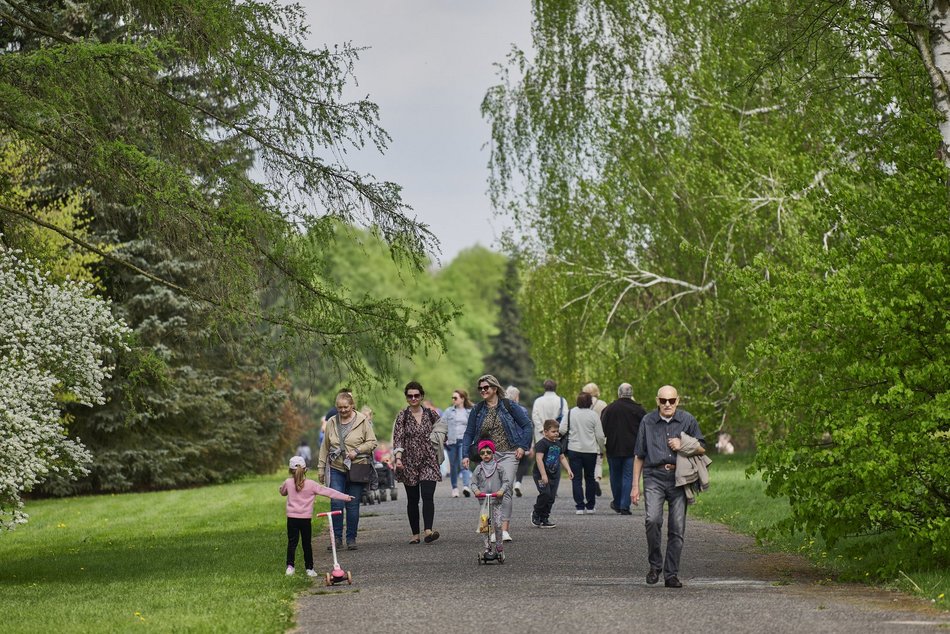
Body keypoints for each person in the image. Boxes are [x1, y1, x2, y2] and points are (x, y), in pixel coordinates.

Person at [631, 385, 707, 588]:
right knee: (652, 520)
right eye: (663, 400)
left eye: (671, 401)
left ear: (677, 401)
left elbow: (702, 447)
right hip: (653, 476)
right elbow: (639, 455)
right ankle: (655, 566)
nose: (667, 404)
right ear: (657, 401)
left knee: (677, 527)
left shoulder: (687, 420)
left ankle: (671, 574)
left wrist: (683, 445)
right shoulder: (647, 421)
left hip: (679, 478)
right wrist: (635, 486)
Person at [461, 374, 532, 542]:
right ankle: (491, 528)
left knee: (505, 489)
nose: (482, 390)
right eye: (480, 388)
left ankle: (503, 530)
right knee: (487, 492)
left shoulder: (509, 405)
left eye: (486, 387)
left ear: (494, 388)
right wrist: (465, 454)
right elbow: (469, 433)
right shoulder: (478, 410)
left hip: (509, 453)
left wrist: (522, 446)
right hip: (487, 456)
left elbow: (527, 425)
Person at [317, 390, 377, 551]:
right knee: (336, 502)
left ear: (352, 406)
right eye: (340, 407)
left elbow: (372, 442)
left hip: (357, 466)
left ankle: (351, 538)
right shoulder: (331, 422)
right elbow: (325, 447)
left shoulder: (362, 420)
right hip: (336, 467)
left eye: (346, 407)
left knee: (352, 504)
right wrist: (321, 469)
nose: (343, 410)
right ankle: (336, 539)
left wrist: (357, 450)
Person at [280, 455, 353, 577]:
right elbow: (328, 491)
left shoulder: (288, 482)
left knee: (292, 543)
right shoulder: (311, 484)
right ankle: (309, 568)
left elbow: (282, 492)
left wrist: (282, 488)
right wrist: (345, 497)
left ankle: (290, 567)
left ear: (290, 470)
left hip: (292, 519)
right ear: (305, 470)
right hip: (305, 519)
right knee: (307, 544)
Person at [392, 381, 446, 544]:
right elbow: (398, 438)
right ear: (406, 398)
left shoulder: (431, 414)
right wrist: (398, 459)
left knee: (428, 496)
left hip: (429, 460)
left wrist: (438, 440)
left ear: (422, 396)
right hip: (409, 462)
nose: (413, 398)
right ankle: (415, 534)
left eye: (416, 395)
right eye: (410, 396)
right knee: (413, 499)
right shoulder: (403, 416)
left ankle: (428, 530)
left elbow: (442, 430)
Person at [601, 383, 647, 515]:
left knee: (615, 476)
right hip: (632, 449)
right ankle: (624, 506)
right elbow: (645, 429)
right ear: (631, 394)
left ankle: (617, 502)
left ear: (619, 393)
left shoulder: (609, 409)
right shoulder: (639, 410)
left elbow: (602, 428)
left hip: (613, 447)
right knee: (628, 476)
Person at [563, 391, 606, 514]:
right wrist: (602, 449)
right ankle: (591, 506)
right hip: (590, 451)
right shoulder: (593, 415)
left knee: (576, 478)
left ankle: (580, 506)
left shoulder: (570, 413)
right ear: (590, 402)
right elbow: (600, 435)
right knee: (590, 478)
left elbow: (562, 429)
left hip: (573, 449)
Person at [470, 439, 511, 555]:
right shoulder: (478, 469)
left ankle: (499, 545)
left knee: (498, 524)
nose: (486, 455)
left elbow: (506, 482)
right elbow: (473, 483)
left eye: (488, 452)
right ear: (480, 455)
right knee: (484, 526)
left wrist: (501, 491)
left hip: (496, 500)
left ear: (493, 453)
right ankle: (487, 547)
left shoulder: (499, 468)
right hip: (484, 502)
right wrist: (476, 490)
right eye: (482, 453)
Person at [531, 419, 574, 528]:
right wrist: (543, 475)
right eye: (553, 431)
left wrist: (568, 469)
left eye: (557, 431)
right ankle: (536, 513)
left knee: (551, 497)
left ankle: (545, 518)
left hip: (554, 474)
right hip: (541, 475)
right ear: (545, 432)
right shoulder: (542, 443)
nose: (556, 433)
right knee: (545, 493)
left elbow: (562, 457)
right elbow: (539, 459)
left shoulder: (558, 444)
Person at [443, 388, 474, 497]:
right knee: (453, 465)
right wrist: (444, 438)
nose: (453, 400)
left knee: (464, 463)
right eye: (452, 398)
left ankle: (466, 486)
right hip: (451, 442)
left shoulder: (469, 411)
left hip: (464, 441)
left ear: (462, 398)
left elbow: (473, 427)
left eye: (455, 398)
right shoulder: (448, 411)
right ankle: (455, 488)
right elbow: (442, 425)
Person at [505, 385, 532, 498]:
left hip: (507, 442)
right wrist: (528, 444)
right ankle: (518, 483)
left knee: (509, 463)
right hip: (521, 441)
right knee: (522, 463)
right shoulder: (523, 410)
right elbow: (527, 427)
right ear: (516, 397)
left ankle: (509, 485)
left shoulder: (503, 410)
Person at [582, 382, 608, 495]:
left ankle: (590, 481)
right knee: (598, 461)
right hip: (598, 435)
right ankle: (596, 479)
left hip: (585, 435)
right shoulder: (602, 404)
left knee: (587, 461)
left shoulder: (582, 404)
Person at [532, 379, 568, 445]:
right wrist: (559, 432)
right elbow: (565, 418)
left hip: (541, 436)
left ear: (544, 388)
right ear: (555, 388)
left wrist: (542, 430)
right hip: (556, 436)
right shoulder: (562, 401)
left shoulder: (538, 401)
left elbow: (535, 417)